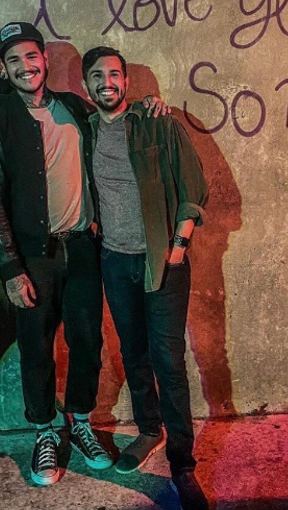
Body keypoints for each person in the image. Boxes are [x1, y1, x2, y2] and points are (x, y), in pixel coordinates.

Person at [0, 21, 113, 485]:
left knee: (88, 341)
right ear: (6, 68)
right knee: (36, 347)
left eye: (30, 56)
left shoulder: (76, 108)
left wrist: (151, 108)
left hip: (84, 248)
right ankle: (43, 431)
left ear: (44, 59)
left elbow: (116, 129)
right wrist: (12, 269)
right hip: (35, 256)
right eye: (13, 60)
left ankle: (79, 421)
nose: (24, 66)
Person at [82, 46, 210, 510]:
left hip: (164, 261)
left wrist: (178, 247)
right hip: (115, 262)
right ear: (86, 86)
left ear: (127, 81)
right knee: (132, 353)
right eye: (97, 76)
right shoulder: (86, 129)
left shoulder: (158, 122)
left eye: (114, 74)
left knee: (169, 361)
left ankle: (183, 465)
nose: (107, 82)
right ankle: (149, 430)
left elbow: (194, 187)